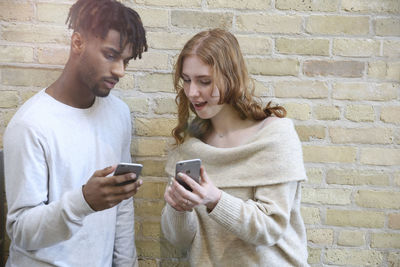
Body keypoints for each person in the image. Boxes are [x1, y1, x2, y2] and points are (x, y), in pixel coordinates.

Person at [3, 0, 147, 266]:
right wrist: (83, 201)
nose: (120, 71)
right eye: (111, 55)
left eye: (125, 60)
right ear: (78, 43)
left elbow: (122, 206)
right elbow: (21, 230)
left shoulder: (119, 114)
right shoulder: (31, 124)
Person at [161, 28, 309, 266]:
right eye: (186, 80)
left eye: (205, 81)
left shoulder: (274, 136)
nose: (192, 92)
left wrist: (215, 199)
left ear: (232, 78)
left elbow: (270, 228)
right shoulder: (189, 149)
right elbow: (180, 240)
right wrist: (178, 209)